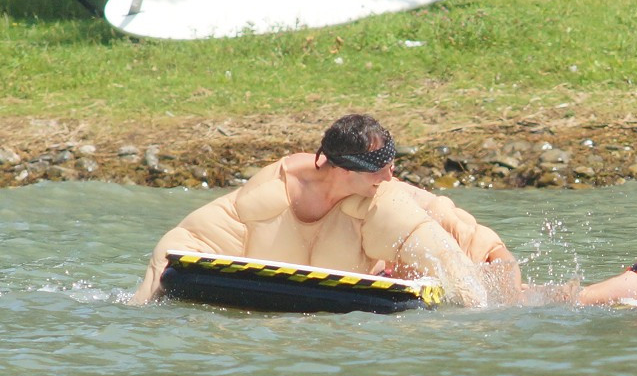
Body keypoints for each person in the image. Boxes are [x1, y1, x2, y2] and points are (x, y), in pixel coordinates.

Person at [133, 114, 517, 307]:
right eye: (382, 166)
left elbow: (435, 211)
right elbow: (193, 236)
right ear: (348, 169)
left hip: (368, 271)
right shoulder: (271, 194)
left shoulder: (381, 197)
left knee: (537, 293)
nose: (391, 174)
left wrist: (491, 252)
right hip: (269, 272)